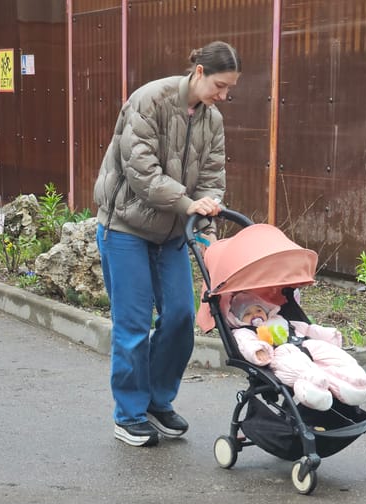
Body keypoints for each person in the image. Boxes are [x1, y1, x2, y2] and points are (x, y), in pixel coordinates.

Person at [94, 42, 242, 446]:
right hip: (124, 226)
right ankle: (128, 414)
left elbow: (213, 179)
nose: (223, 95)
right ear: (198, 72)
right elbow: (141, 171)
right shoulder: (149, 100)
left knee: (179, 318)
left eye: (230, 89)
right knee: (134, 324)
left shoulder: (213, 120)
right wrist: (188, 201)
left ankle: (158, 402)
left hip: (173, 232)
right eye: (220, 85)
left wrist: (207, 229)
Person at [228, 291, 366, 410]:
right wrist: (258, 350)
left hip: (304, 344)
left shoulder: (280, 320)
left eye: (258, 310)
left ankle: (354, 382)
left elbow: (305, 328)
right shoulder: (245, 331)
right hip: (280, 353)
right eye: (247, 313)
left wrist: (327, 335)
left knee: (330, 353)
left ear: (266, 310)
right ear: (239, 319)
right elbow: (246, 344)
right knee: (299, 365)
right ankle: (314, 389)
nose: (255, 315)